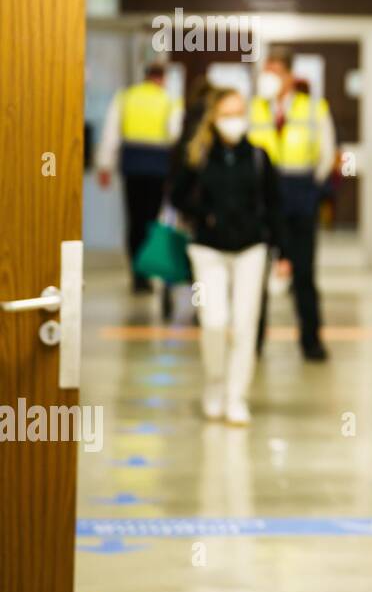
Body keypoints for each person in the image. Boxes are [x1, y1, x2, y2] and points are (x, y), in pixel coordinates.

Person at [171, 88, 289, 426]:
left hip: (251, 248)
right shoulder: (199, 154)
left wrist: (281, 251)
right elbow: (177, 196)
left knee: (245, 323)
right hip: (207, 249)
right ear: (214, 118)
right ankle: (215, 384)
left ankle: (236, 396)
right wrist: (203, 215)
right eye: (227, 113)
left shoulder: (258, 157)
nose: (234, 120)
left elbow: (274, 205)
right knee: (213, 321)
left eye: (240, 112)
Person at [248, 52, 336, 361]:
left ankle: (311, 342)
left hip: (299, 198)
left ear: (288, 75)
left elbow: (326, 154)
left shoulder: (313, 108)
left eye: (274, 72)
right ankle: (252, 341)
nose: (268, 78)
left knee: (304, 276)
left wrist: (311, 189)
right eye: (265, 72)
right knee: (256, 274)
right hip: (262, 201)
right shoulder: (254, 108)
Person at [94, 62, 183, 292]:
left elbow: (110, 133)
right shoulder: (169, 101)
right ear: (162, 79)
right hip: (157, 168)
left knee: (134, 220)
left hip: (132, 165)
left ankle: (137, 274)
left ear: (145, 76)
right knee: (151, 221)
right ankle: (146, 270)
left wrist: (105, 166)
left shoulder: (126, 97)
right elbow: (175, 134)